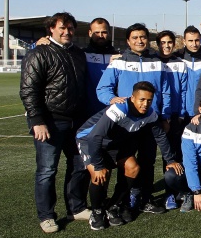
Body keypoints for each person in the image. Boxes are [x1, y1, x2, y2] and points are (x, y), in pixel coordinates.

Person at [77, 81, 183, 229]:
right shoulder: (119, 109)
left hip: (113, 144)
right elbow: (95, 137)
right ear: (132, 98)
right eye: (142, 99)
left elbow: (160, 136)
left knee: (133, 168)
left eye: (149, 100)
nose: (145, 104)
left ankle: (112, 206)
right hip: (89, 140)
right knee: (100, 174)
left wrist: (170, 160)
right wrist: (98, 165)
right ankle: (97, 211)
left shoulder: (150, 113)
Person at [20, 12, 90, 233]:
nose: (67, 32)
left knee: (79, 165)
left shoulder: (78, 53)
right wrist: (37, 120)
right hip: (50, 122)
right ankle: (47, 216)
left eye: (70, 28)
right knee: (47, 170)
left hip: (77, 121)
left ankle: (76, 207)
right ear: (51, 29)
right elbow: (28, 90)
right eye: (62, 27)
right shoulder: (39, 54)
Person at [96, 23, 171, 214]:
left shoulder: (157, 61)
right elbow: (102, 89)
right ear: (128, 41)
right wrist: (112, 99)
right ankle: (125, 199)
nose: (139, 41)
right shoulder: (119, 62)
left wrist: (165, 116)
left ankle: (145, 198)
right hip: (126, 124)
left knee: (148, 161)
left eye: (143, 37)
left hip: (151, 122)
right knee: (127, 162)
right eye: (135, 37)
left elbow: (166, 91)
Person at [156, 30, 189, 210]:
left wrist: (182, 113)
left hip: (175, 115)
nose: (167, 46)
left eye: (170, 42)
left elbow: (184, 90)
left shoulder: (180, 64)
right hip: (156, 115)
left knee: (175, 153)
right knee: (158, 156)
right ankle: (164, 193)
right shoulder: (152, 62)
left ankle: (177, 190)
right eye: (163, 42)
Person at [82, 17, 120, 116]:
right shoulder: (82, 55)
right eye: (96, 32)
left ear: (109, 33)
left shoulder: (118, 57)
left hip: (111, 109)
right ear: (90, 33)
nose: (100, 36)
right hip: (87, 111)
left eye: (104, 32)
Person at [176, 25, 201, 118]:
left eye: (197, 40)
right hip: (180, 111)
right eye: (190, 41)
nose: (194, 44)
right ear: (184, 41)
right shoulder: (177, 58)